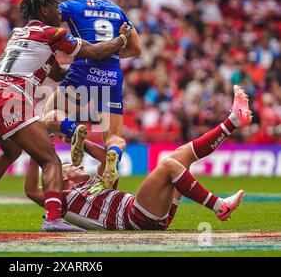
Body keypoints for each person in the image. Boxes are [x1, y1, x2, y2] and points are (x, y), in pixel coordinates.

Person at [0, 0, 133, 232]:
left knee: (10, 153)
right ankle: (53, 219)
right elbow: (94, 52)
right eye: (54, 6)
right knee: (50, 159)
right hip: (9, 99)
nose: (58, 11)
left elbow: (59, 73)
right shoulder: (53, 33)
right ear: (43, 10)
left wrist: (78, 73)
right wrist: (121, 39)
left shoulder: (20, 34)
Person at [25, 85, 252, 231]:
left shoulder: (95, 183)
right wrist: (40, 149)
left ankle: (233, 121)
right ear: (64, 178)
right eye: (71, 167)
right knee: (170, 166)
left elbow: (105, 158)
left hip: (147, 214)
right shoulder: (62, 199)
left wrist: (80, 142)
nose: (80, 165)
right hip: (134, 218)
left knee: (181, 154)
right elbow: (31, 191)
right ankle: (219, 206)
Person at [42, 0, 142, 190]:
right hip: (112, 76)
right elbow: (136, 48)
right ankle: (114, 154)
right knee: (114, 138)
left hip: (83, 71)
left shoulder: (71, 5)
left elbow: (45, 22)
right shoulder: (117, 10)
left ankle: (73, 128)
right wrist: (111, 54)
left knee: (50, 116)